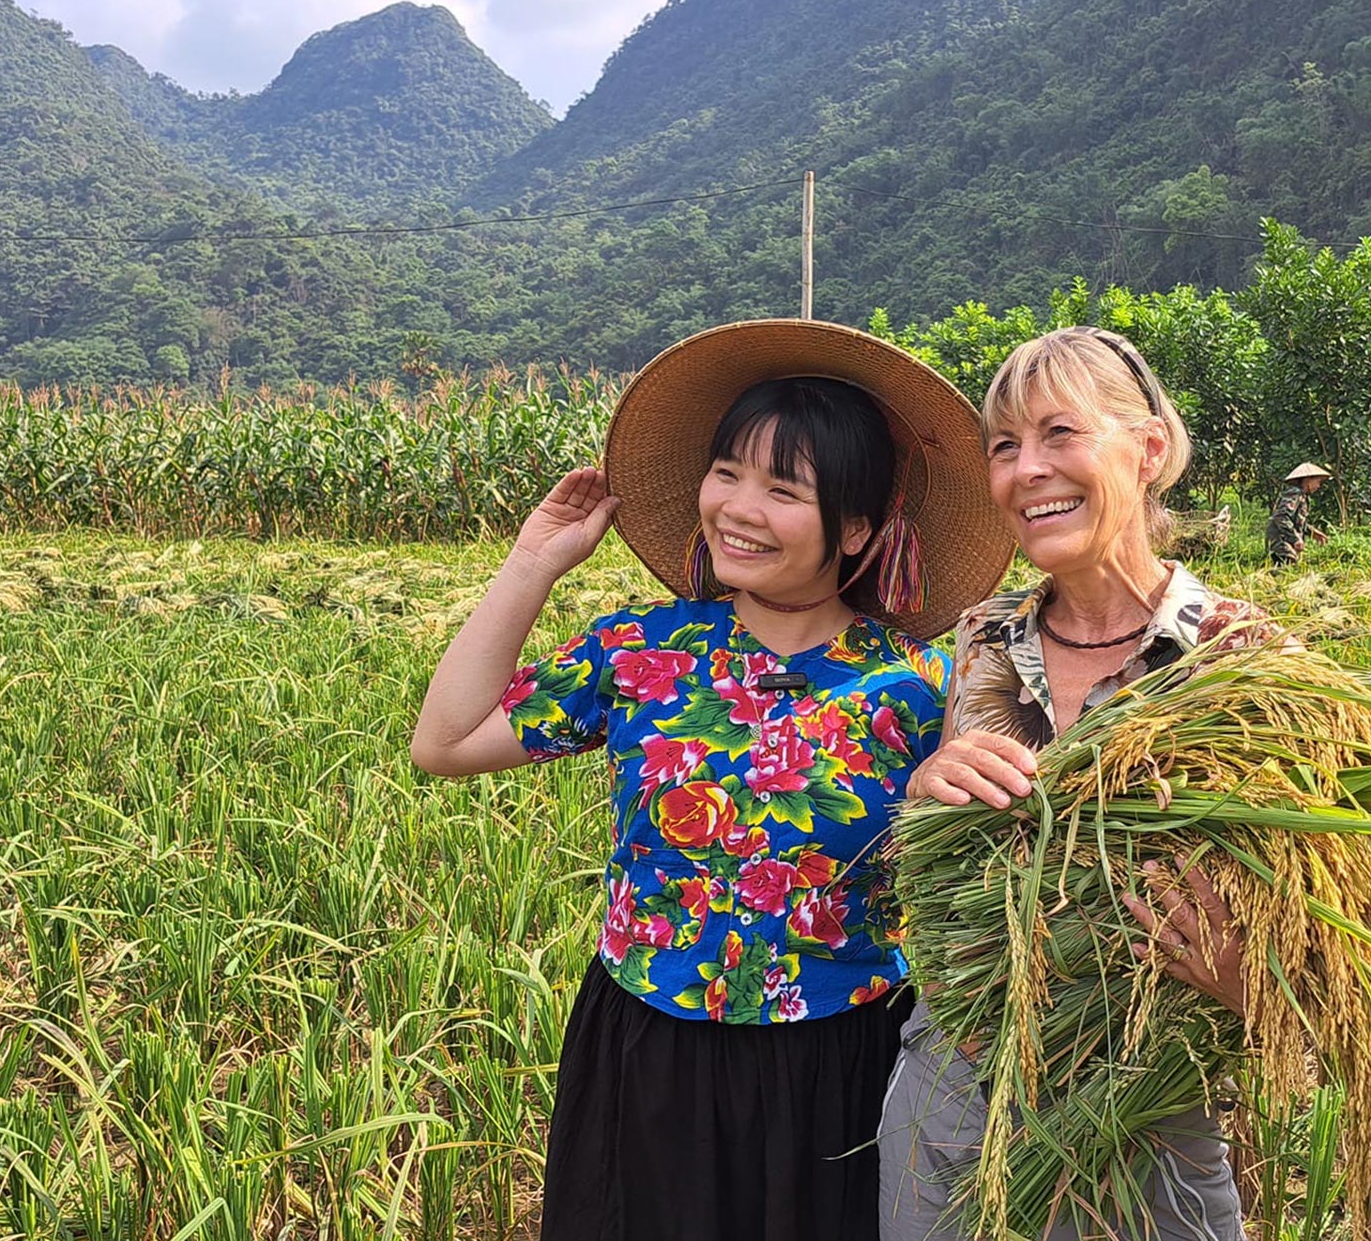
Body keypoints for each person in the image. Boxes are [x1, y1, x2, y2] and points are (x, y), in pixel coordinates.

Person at [411, 320, 1014, 1241]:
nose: (737, 506)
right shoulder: (642, 650)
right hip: (647, 1050)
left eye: (783, 488)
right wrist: (532, 561)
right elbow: (444, 742)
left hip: (839, 1067)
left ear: (855, 527)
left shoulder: (923, 689)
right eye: (726, 471)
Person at [878, 326, 1279, 1241]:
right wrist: (926, 789)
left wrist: (1244, 980)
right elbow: (930, 880)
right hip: (952, 1095)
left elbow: (1343, 936)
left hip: (1146, 1119)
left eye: (1061, 434)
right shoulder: (981, 639)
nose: (1029, 470)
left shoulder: (1239, 658)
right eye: (1005, 447)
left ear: (1146, 451)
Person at [1265, 461, 1331, 566]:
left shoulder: (1302, 497)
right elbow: (1281, 516)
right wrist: (1295, 538)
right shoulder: (1294, 494)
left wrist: (1313, 533)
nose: (1318, 486)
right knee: (1285, 571)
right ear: (1308, 480)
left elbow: (1298, 522)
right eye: (1317, 482)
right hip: (1281, 541)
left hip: (1286, 542)